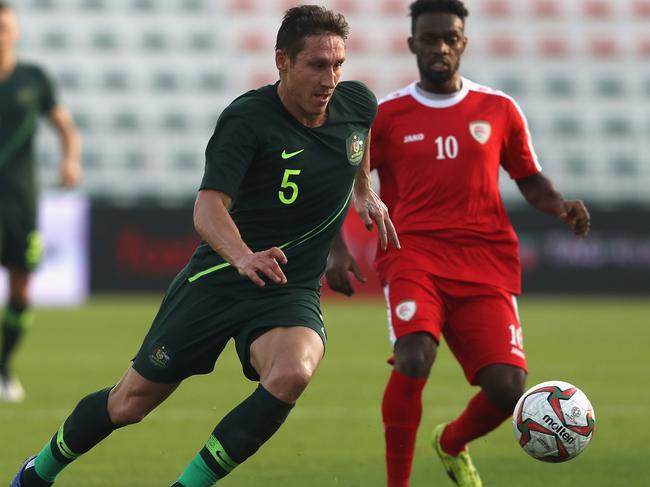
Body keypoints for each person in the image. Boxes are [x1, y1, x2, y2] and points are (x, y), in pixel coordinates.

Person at [11, 5, 398, 486]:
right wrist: (241, 256)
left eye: (338, 64)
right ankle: (38, 471)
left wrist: (361, 193)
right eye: (317, 65)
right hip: (218, 281)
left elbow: (355, 149)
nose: (331, 77)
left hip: (288, 287)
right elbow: (207, 209)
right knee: (128, 404)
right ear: (283, 61)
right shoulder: (248, 118)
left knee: (293, 373)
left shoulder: (357, 103)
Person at [325, 1, 591, 486]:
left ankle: (451, 443)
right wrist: (337, 246)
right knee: (413, 356)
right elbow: (348, 181)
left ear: (463, 42)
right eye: (429, 39)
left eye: (450, 37)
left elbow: (528, 179)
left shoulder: (499, 109)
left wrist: (559, 205)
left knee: (508, 389)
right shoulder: (386, 114)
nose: (440, 47)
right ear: (412, 45)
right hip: (414, 255)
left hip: (486, 261)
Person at [0, 2, 81, 403]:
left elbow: (64, 126)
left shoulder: (33, 79)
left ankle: (3, 367)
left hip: (21, 201)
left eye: (5, 27)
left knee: (21, 288)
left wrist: (70, 159)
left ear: (14, 32)